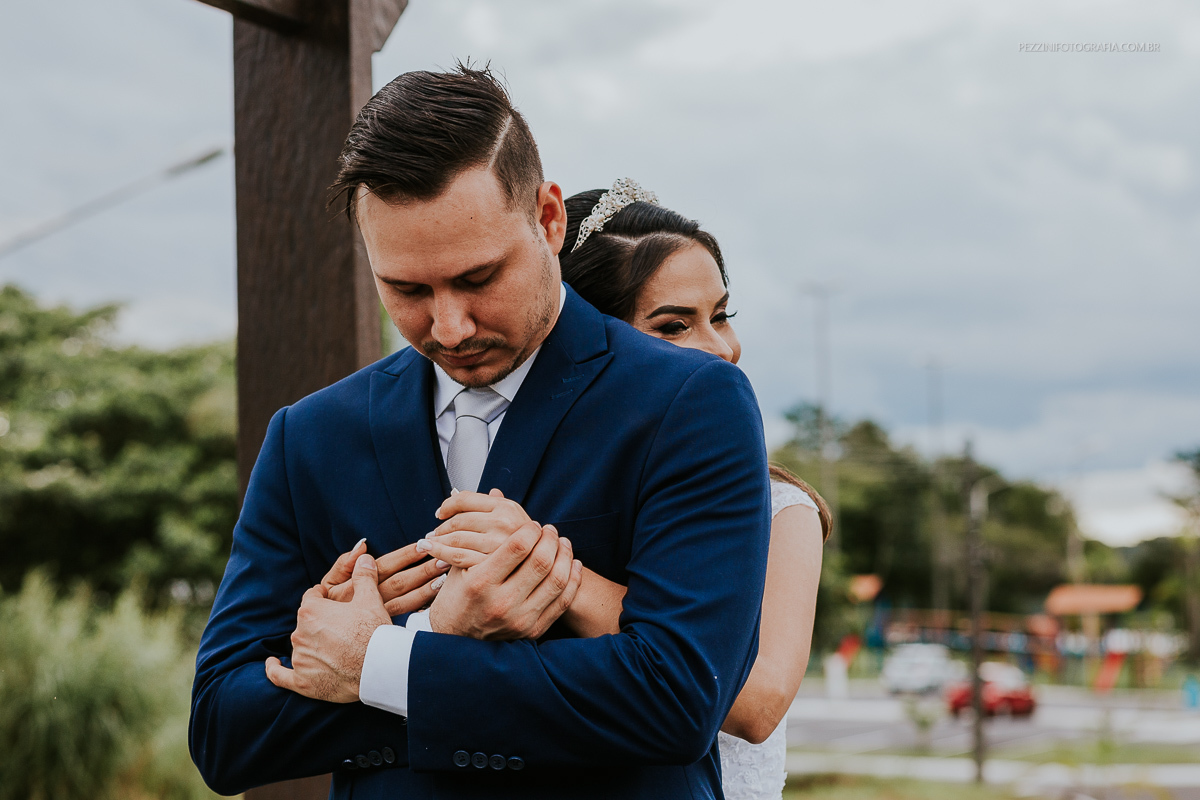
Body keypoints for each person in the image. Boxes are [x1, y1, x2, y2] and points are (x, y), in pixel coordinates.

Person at [189, 66, 772, 800]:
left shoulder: (691, 403)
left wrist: (377, 666)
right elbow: (222, 729)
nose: (449, 327)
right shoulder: (310, 436)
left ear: (549, 220)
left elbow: (678, 698)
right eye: (406, 289)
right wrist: (436, 636)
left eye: (477, 278)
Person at [415, 182, 831, 800]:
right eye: (673, 326)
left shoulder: (779, 509)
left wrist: (555, 574)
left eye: (720, 315)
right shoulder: (499, 475)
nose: (721, 348)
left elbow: (759, 701)